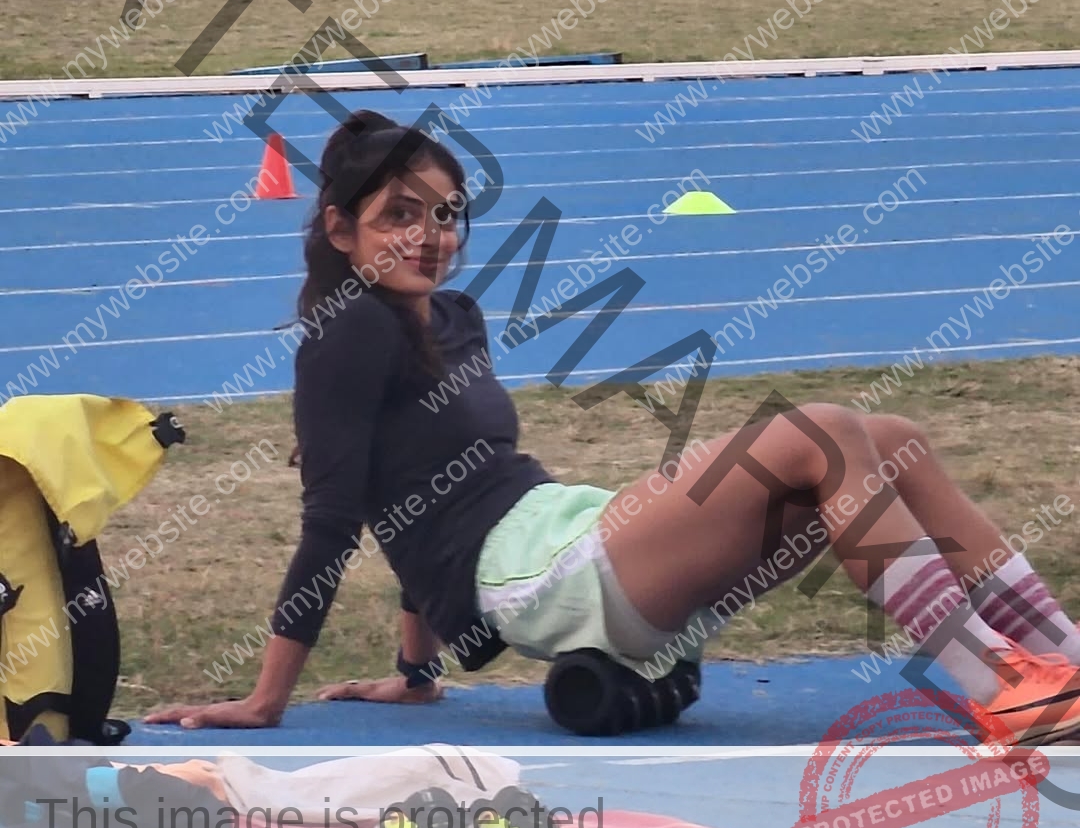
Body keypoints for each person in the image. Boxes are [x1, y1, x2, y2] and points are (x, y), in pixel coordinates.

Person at [147, 110, 1080, 748]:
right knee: (824, 431)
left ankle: (1063, 664)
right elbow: (335, 521)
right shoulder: (345, 331)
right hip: (538, 581)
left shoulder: (455, 316)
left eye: (446, 214)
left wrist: (415, 672)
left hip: (569, 535)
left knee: (893, 436)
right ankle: (996, 685)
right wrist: (266, 699)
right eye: (400, 216)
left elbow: (415, 496)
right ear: (340, 229)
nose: (431, 235)